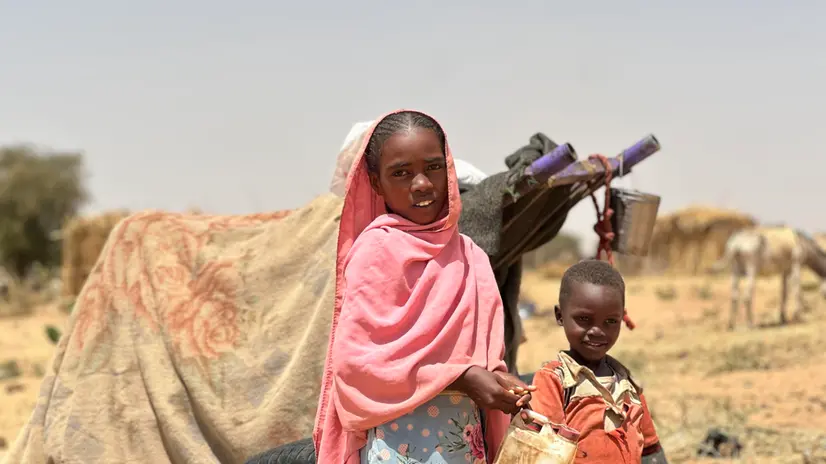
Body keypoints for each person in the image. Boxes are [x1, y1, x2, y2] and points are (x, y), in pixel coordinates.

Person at [313, 109, 535, 464]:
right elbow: (358, 367)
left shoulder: (470, 256)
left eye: (432, 167)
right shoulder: (375, 253)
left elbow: (486, 359)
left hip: (465, 446)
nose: (421, 184)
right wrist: (462, 378)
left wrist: (500, 383)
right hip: (399, 447)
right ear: (375, 182)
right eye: (401, 173)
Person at [525, 259, 668, 463]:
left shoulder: (629, 385)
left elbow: (651, 452)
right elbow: (544, 452)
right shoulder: (554, 381)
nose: (597, 331)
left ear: (621, 319)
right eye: (584, 319)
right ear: (560, 316)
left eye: (610, 321)